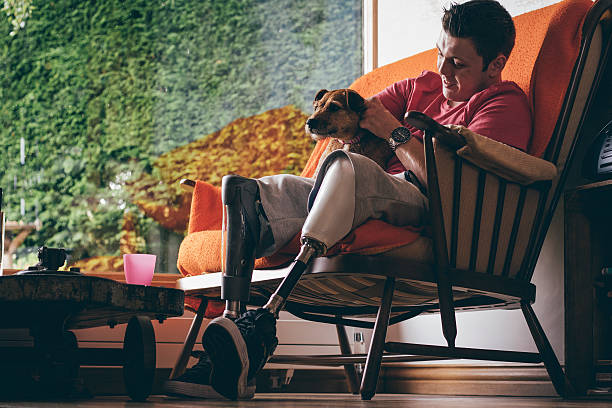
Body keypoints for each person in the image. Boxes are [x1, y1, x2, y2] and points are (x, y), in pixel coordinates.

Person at [164, 0, 531, 400]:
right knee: (263, 189)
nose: (442, 71)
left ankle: (261, 327)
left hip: (430, 207)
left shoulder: (503, 104)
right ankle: (233, 342)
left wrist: (395, 133)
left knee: (350, 168)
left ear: (495, 65)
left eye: (458, 64)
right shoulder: (418, 87)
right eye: (441, 54)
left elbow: (459, 188)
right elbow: (351, 119)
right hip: (364, 192)